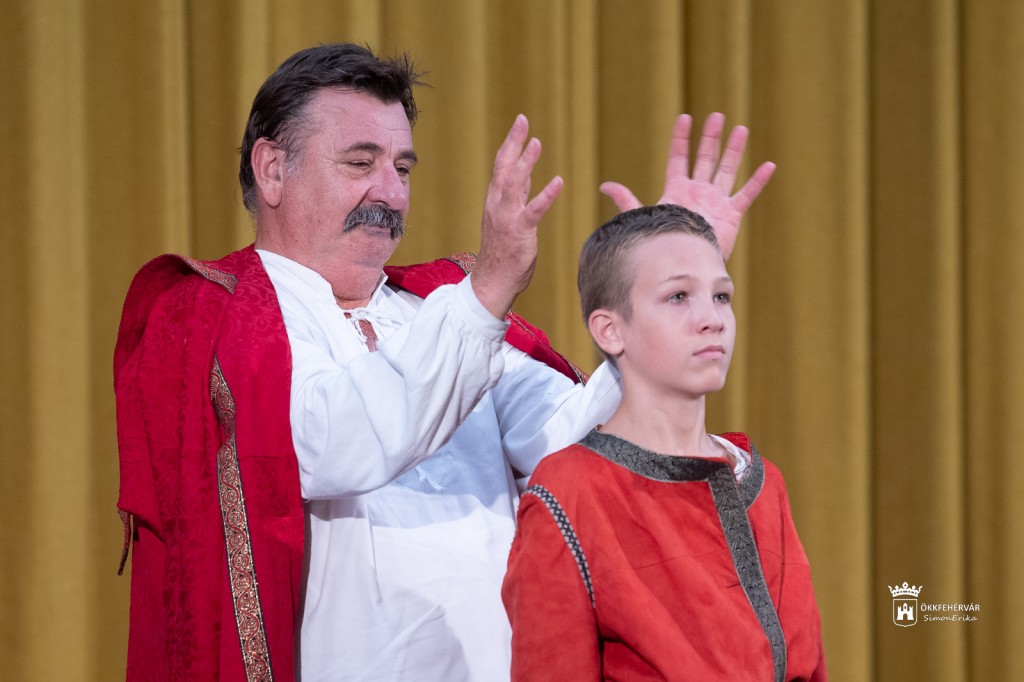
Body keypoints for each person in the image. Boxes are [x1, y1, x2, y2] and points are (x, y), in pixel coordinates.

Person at [114, 42, 774, 681]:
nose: (390, 192)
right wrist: (485, 292)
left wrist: (667, 293)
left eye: (402, 168)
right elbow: (328, 439)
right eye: (360, 162)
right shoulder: (212, 315)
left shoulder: (438, 305)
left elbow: (577, 446)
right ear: (272, 170)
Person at [502, 204, 827, 681]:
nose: (712, 319)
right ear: (611, 330)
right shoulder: (571, 491)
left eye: (721, 296)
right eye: (678, 296)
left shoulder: (762, 482)